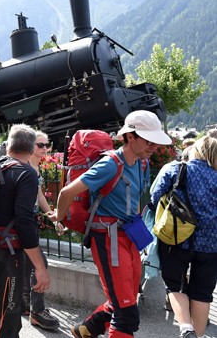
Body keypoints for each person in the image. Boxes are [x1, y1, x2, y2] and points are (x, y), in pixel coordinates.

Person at [48, 110, 171, 338]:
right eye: (148, 140)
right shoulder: (110, 164)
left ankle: (85, 330)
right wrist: (59, 216)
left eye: (156, 140)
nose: (153, 146)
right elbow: (66, 192)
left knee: (126, 296)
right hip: (108, 238)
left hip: (128, 236)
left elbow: (133, 201)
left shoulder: (141, 164)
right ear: (130, 137)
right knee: (127, 315)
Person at [0, 123, 50, 338]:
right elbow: (24, 221)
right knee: (4, 319)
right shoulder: (25, 172)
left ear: (8, 144)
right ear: (30, 149)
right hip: (8, 256)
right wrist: (40, 267)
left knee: (7, 312)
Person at [150, 136, 217, 338]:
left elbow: (154, 197)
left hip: (176, 239)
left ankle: (185, 327)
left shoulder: (178, 169)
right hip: (212, 246)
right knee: (203, 293)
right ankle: (197, 334)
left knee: (175, 284)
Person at [22, 131, 60, 330]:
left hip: (32, 221)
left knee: (27, 265)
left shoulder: (36, 168)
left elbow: (39, 196)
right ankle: (37, 311)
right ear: (30, 146)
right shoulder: (24, 166)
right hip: (22, 223)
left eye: (47, 145)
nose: (45, 148)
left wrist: (52, 215)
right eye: (40, 145)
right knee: (40, 264)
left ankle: (25, 304)